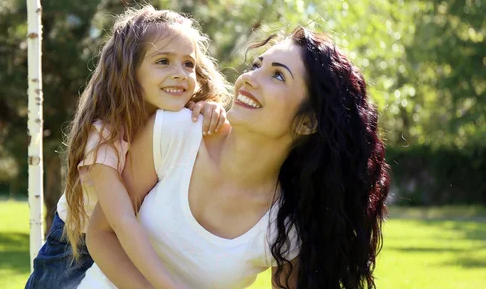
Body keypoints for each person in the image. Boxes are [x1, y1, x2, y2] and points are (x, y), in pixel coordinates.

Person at [81, 27, 391, 289]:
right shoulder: (175, 132)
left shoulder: (286, 227)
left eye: (278, 77)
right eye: (257, 65)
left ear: (306, 122)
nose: (249, 79)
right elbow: (101, 234)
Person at [25, 5, 232, 289]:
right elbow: (120, 219)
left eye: (188, 64)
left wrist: (209, 110)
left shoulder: (179, 118)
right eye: (163, 61)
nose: (180, 74)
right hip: (76, 248)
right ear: (130, 71)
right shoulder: (105, 134)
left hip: (138, 239)